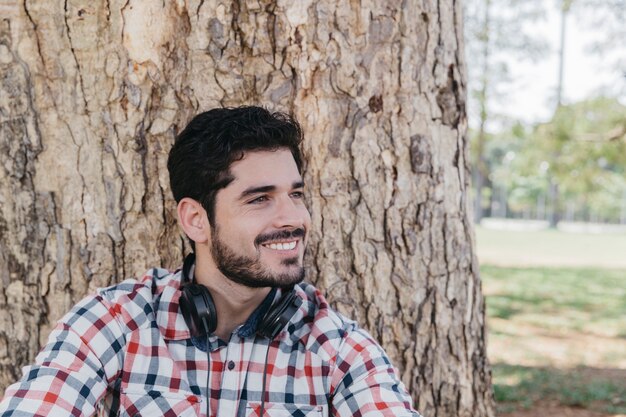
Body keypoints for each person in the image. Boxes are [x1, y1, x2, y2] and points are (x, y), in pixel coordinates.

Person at [0, 106, 422, 417]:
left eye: (296, 194)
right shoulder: (118, 320)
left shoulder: (337, 347)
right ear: (196, 220)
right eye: (259, 199)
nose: (293, 218)